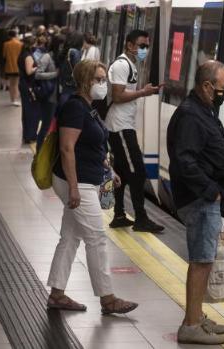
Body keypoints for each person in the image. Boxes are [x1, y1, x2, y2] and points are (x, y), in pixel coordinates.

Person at [47, 59, 138, 316]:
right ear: (85, 81)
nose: (103, 84)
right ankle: (108, 299)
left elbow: (95, 145)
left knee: (70, 237)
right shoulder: (75, 108)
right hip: (75, 181)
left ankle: (57, 294)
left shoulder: (90, 108)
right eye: (98, 79)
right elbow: (67, 149)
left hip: (87, 178)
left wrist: (110, 170)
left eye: (104, 79)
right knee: (96, 239)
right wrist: (74, 188)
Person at [167, 60, 224, 345]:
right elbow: (184, 160)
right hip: (199, 199)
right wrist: (210, 191)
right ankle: (191, 325)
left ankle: (196, 315)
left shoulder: (202, 109)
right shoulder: (192, 115)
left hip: (203, 197)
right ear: (207, 86)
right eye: (223, 88)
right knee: (202, 261)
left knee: (203, 259)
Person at [105, 29, 163, 232]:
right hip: (120, 127)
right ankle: (141, 219)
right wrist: (143, 92)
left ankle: (119, 214)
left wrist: (146, 91)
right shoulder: (122, 65)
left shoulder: (130, 64)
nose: (144, 50)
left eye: (147, 46)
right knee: (138, 172)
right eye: (141, 46)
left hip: (122, 125)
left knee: (121, 170)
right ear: (130, 45)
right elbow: (118, 95)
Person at [32, 34, 59, 150]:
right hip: (49, 96)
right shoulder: (47, 57)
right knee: (46, 125)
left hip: (56, 95)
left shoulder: (61, 59)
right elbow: (37, 74)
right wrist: (55, 74)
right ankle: (39, 151)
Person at [18, 37, 38, 144]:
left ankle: (27, 134)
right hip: (29, 86)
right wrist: (38, 67)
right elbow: (29, 71)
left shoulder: (22, 54)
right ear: (32, 44)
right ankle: (30, 135)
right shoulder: (28, 56)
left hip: (23, 84)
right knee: (31, 111)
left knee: (26, 111)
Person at [57, 31, 83, 108]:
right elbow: (78, 69)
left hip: (64, 82)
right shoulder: (75, 52)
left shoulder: (66, 50)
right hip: (72, 84)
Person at [3, 30, 23, 106]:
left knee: (11, 84)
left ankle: (12, 100)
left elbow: (4, 55)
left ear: (9, 36)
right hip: (18, 67)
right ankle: (15, 100)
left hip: (9, 66)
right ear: (16, 35)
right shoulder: (20, 44)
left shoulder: (6, 44)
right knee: (16, 84)